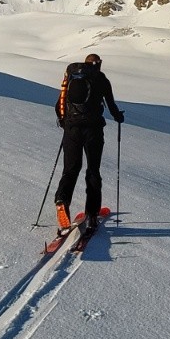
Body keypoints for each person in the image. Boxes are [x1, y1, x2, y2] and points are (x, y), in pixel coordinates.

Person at [54, 53, 124, 238]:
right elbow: (110, 104)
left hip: (71, 129)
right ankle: (92, 215)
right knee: (93, 170)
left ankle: (62, 200)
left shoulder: (71, 77)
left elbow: (59, 104)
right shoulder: (101, 79)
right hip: (93, 130)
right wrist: (119, 117)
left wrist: (65, 122)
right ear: (99, 64)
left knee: (70, 169)